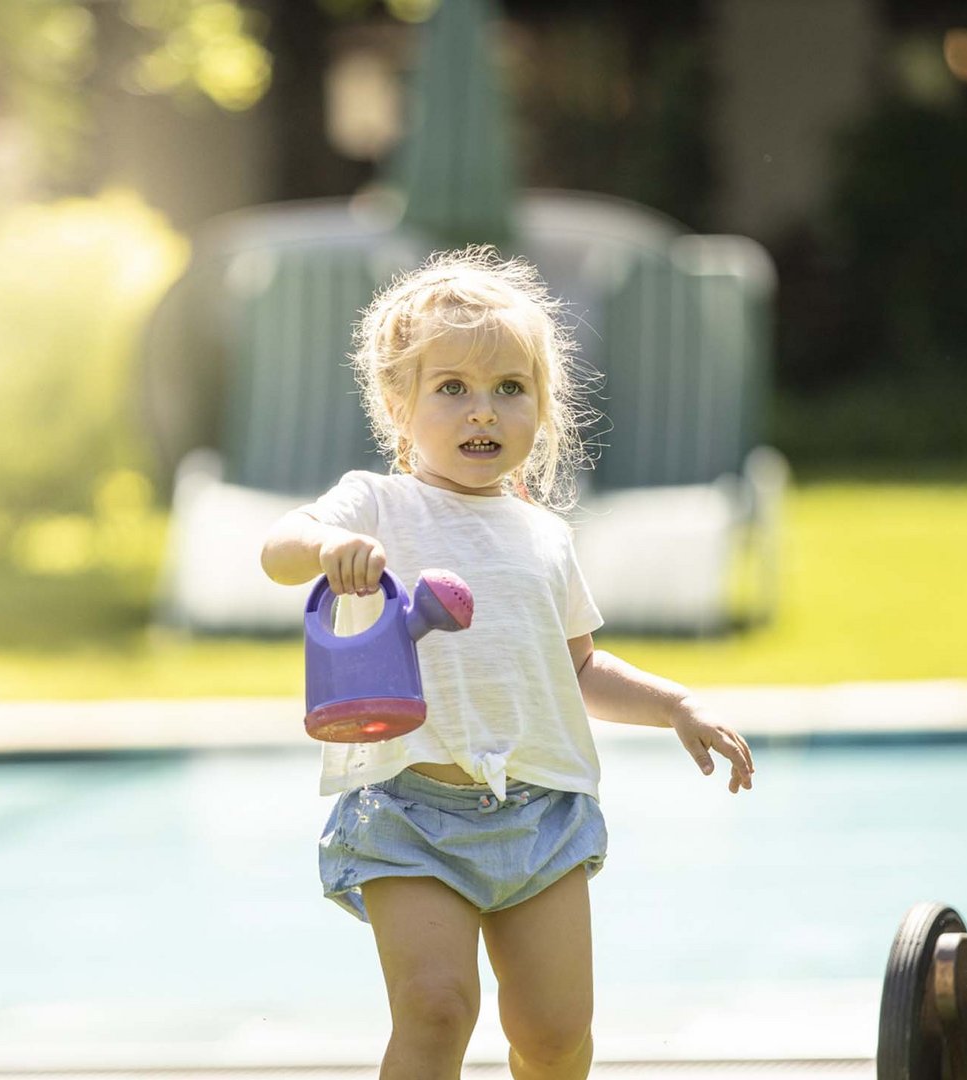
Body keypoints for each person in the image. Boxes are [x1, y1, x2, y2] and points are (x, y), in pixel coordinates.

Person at [259, 246, 754, 1080]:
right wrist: (327, 545)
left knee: (555, 1034)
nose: (481, 411)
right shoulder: (378, 504)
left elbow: (579, 667)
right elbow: (277, 549)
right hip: (409, 812)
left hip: (540, 817)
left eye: (509, 390)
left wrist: (674, 704)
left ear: (542, 408)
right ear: (398, 402)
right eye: (451, 388)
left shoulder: (544, 538)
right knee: (437, 1007)